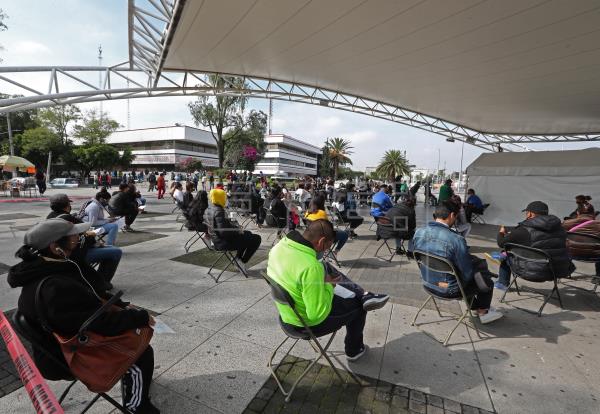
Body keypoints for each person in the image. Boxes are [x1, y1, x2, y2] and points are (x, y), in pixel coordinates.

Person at [7, 219, 159, 413]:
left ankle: (136, 383)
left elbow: (89, 301)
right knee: (143, 352)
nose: (78, 241)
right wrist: (140, 317)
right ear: (55, 247)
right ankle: (137, 405)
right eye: (73, 239)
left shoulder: (48, 268)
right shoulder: (54, 287)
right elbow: (99, 323)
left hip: (65, 340)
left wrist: (119, 305)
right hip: (67, 356)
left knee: (133, 330)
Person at [266, 219, 389, 361]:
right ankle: (353, 350)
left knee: (325, 266)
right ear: (321, 241)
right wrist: (329, 287)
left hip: (286, 314)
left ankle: (363, 295)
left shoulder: (279, 247)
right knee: (359, 308)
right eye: (326, 247)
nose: (324, 251)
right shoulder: (311, 267)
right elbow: (317, 315)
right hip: (304, 324)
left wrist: (319, 283)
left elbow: (294, 276)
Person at [409, 201, 504, 324]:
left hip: (428, 282)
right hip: (449, 289)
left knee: (464, 277)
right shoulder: (456, 239)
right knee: (485, 281)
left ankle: (475, 307)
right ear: (452, 215)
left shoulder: (418, 233)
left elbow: (414, 253)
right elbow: (467, 273)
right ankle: (483, 311)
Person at [47, 194, 123, 289]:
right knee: (116, 252)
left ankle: (98, 279)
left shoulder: (50, 217)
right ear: (67, 205)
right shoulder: (69, 219)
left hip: (59, 253)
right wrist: (97, 244)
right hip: (74, 255)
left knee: (110, 248)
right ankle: (102, 282)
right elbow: (87, 236)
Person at [495, 201, 574, 291]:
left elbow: (501, 243)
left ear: (530, 214)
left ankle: (502, 284)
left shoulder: (524, 229)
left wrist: (501, 232)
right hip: (558, 270)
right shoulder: (560, 228)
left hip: (532, 272)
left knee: (505, 254)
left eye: (526, 212)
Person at [205, 188, 262, 272]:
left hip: (216, 239)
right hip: (223, 243)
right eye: (224, 197)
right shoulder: (219, 211)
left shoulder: (210, 209)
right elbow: (223, 231)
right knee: (257, 238)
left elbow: (221, 226)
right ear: (220, 198)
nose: (226, 199)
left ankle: (238, 258)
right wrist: (237, 230)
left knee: (248, 233)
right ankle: (242, 261)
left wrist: (235, 227)